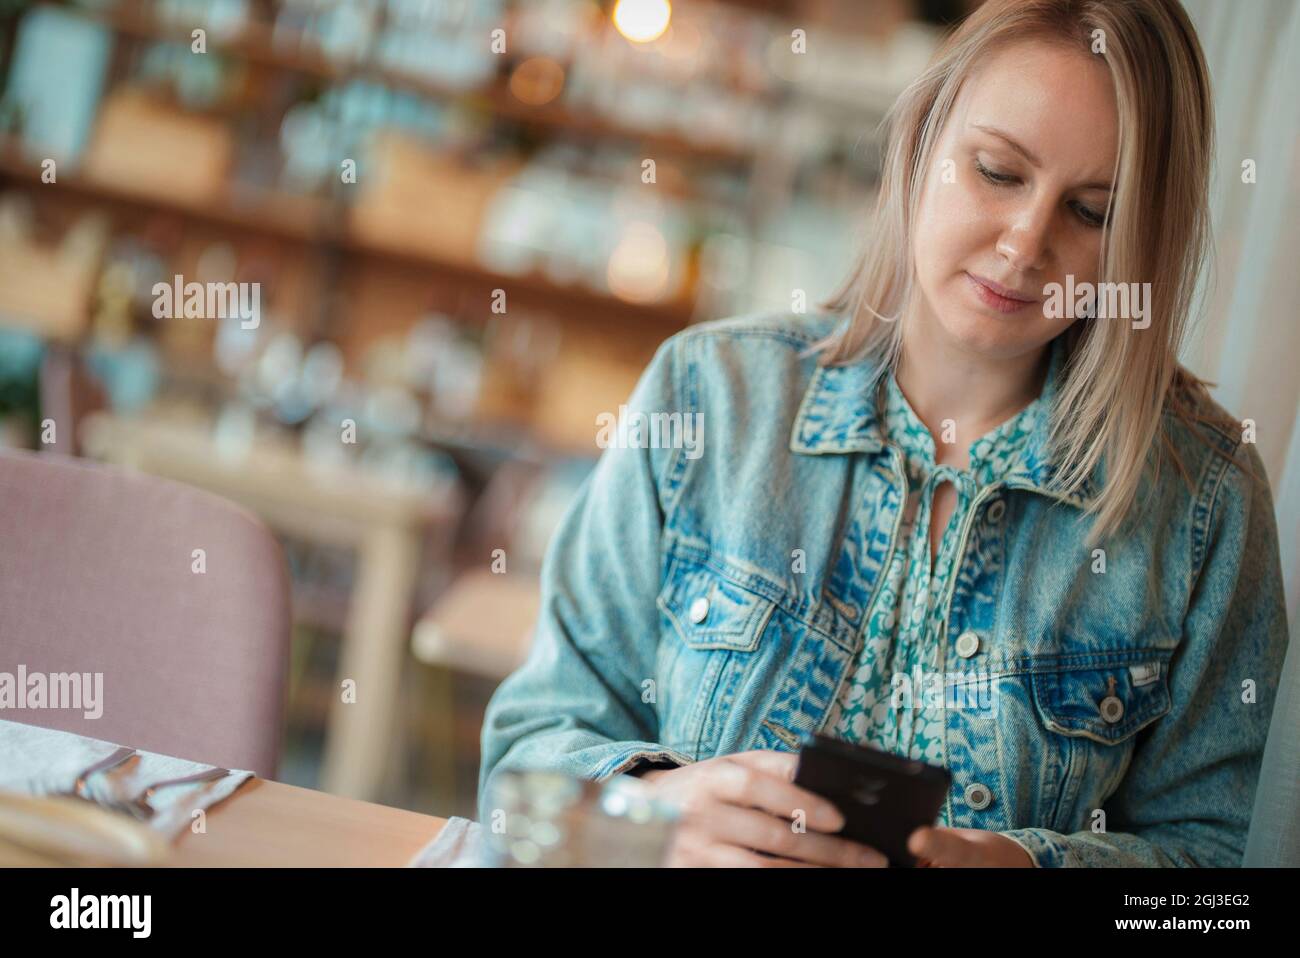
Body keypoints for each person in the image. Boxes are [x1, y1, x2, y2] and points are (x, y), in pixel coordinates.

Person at [478, 0, 1290, 867]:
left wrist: (1024, 867)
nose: (1024, 246)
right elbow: (518, 780)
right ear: (919, 146)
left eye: (1091, 212)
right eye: (997, 172)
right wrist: (651, 811)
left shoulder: (1207, 498)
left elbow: (1216, 889)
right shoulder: (708, 394)